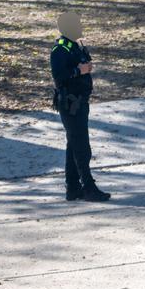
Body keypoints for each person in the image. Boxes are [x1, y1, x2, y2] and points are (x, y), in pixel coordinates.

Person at [50, 12, 110, 202]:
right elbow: (59, 76)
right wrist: (79, 70)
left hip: (80, 101)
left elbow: (84, 65)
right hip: (70, 104)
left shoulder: (74, 45)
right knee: (82, 148)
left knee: (73, 145)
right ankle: (88, 187)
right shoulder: (60, 49)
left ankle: (73, 187)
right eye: (77, 25)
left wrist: (85, 66)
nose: (80, 27)